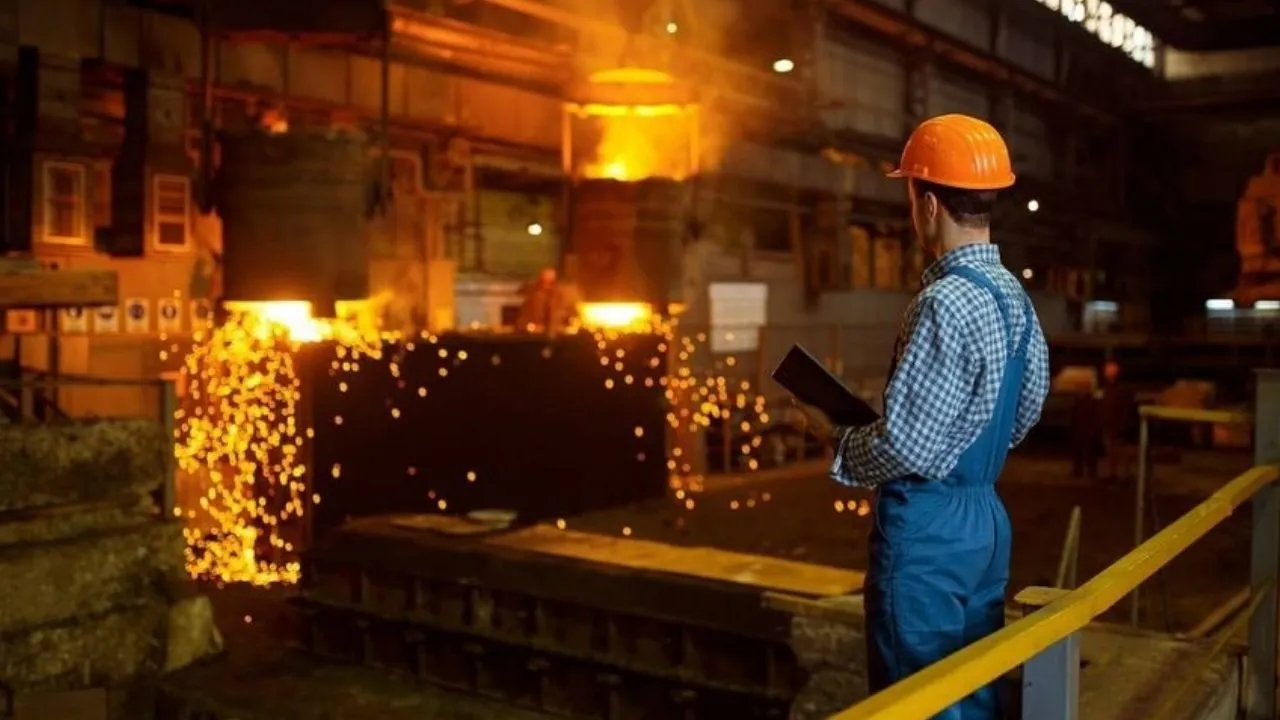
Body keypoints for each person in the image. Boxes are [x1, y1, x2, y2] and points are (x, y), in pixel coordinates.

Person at [798, 114, 1050, 718]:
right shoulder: (1013, 296)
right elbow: (1025, 411)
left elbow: (909, 447)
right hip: (985, 522)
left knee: (916, 701)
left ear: (929, 203)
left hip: (929, 533)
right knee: (973, 688)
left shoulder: (942, 302)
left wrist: (839, 437)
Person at [516, 267, 575, 333]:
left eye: (551, 283)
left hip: (559, 335)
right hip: (537, 335)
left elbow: (572, 320)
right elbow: (522, 323)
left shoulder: (564, 300)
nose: (547, 286)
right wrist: (531, 327)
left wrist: (562, 328)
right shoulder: (532, 301)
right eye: (544, 282)